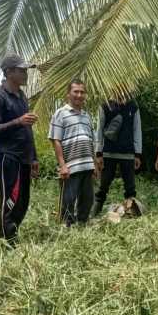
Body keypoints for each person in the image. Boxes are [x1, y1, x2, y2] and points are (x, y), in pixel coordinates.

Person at [0, 54, 39, 245]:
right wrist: (18, 121)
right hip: (8, 158)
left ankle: (12, 233)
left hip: (24, 158)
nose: (25, 74)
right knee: (9, 200)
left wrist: (34, 157)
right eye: (21, 70)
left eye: (26, 70)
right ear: (9, 72)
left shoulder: (22, 97)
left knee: (23, 202)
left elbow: (27, 129)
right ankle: (6, 241)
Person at [49, 79, 97, 227]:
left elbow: (91, 141)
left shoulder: (87, 116)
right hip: (70, 167)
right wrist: (62, 165)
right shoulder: (60, 114)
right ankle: (66, 228)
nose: (79, 95)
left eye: (82, 92)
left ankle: (82, 225)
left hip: (87, 165)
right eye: (76, 91)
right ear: (68, 94)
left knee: (87, 199)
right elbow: (55, 140)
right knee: (68, 200)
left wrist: (94, 164)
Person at [91, 95, 143, 216]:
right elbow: (99, 130)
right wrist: (98, 153)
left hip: (128, 153)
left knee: (130, 188)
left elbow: (137, 130)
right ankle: (94, 213)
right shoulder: (105, 106)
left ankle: (132, 213)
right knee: (103, 186)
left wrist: (137, 154)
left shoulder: (133, 106)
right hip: (108, 153)